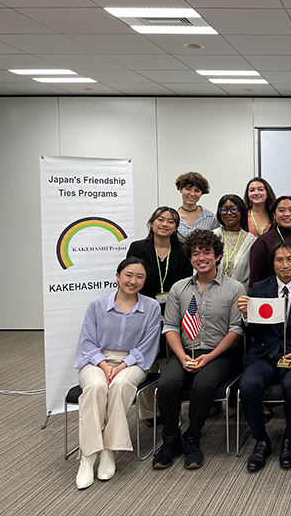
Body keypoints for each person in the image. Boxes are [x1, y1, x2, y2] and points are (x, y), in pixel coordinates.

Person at [152, 230, 245, 471]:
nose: (201, 257)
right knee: (166, 384)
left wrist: (209, 357)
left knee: (203, 385)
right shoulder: (179, 288)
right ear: (190, 258)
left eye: (207, 252)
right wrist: (182, 356)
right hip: (184, 351)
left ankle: (192, 438)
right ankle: (171, 440)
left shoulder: (235, 288)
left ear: (217, 256)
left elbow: (236, 329)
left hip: (220, 354)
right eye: (195, 254)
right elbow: (171, 326)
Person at [74, 258, 161, 489]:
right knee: (96, 387)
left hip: (133, 362)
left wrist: (122, 366)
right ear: (118, 275)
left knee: (121, 385)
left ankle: (109, 451)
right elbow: (87, 341)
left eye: (139, 277)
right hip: (96, 360)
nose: (133, 281)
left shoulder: (151, 307)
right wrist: (103, 365)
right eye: (128, 275)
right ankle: (88, 456)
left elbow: (148, 345)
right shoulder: (97, 305)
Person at [236, 241, 291, 472]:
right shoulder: (259, 289)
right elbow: (252, 332)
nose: (285, 265)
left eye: (290, 259)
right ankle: (261, 440)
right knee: (248, 386)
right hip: (264, 353)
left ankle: (289, 440)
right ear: (272, 264)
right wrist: (246, 316)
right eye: (279, 260)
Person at [126, 207, 196, 425]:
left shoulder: (183, 249)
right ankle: (149, 413)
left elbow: (186, 284)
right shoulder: (138, 247)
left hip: (174, 312)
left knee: (169, 362)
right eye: (160, 219)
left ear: (176, 227)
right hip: (144, 312)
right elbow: (132, 282)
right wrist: (152, 312)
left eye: (170, 221)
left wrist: (172, 315)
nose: (164, 224)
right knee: (147, 362)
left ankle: (170, 409)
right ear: (152, 222)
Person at [212, 194, 257, 291]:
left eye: (233, 208)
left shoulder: (252, 241)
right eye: (224, 209)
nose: (228, 213)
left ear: (241, 211)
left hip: (241, 296)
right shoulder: (212, 237)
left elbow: (253, 275)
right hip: (212, 293)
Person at [175, 172, 219, 242]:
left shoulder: (212, 218)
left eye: (197, 190)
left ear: (202, 193)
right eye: (188, 189)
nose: (192, 194)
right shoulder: (171, 217)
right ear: (180, 189)